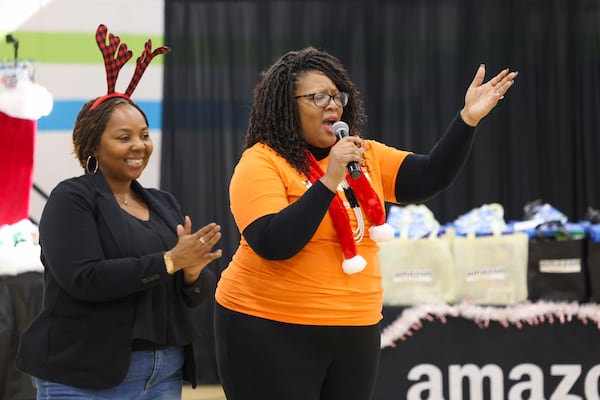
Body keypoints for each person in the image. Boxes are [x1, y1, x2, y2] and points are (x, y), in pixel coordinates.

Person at [214, 46, 518, 400]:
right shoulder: (262, 162)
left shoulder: (363, 154)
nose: (333, 105)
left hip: (355, 327)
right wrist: (329, 180)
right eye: (317, 97)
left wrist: (467, 119)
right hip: (270, 326)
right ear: (287, 105)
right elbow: (273, 242)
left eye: (336, 95)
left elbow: (430, 176)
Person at [15, 24, 222, 399]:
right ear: (92, 146)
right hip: (86, 373)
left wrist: (192, 274)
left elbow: (190, 292)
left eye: (143, 134)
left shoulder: (163, 203)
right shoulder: (71, 199)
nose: (139, 146)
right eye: (123, 137)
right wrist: (170, 262)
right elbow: (86, 278)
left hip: (164, 371)